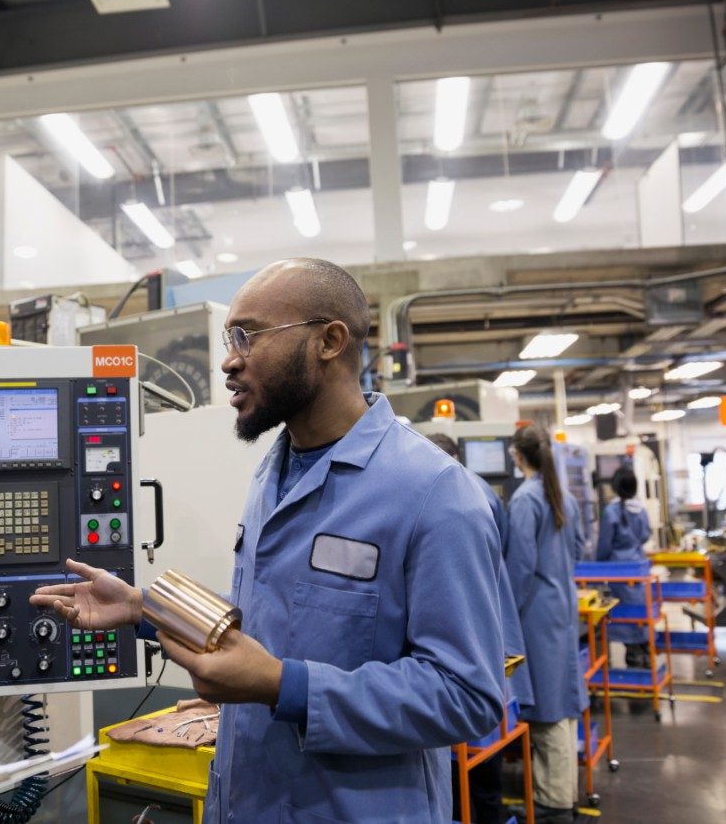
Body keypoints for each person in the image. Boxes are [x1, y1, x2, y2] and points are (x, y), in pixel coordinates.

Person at [33, 258, 506, 822]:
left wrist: (286, 686)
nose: (229, 360)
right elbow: (271, 623)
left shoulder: (434, 494)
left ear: (329, 341)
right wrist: (146, 610)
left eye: (247, 335)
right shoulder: (273, 473)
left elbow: (467, 695)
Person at [425, 431, 533, 824]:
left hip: (477, 642)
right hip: (489, 639)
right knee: (485, 759)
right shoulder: (481, 492)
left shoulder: (456, 497)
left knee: (476, 767)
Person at [505, 424, 588, 823]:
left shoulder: (525, 500)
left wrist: (502, 618)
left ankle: (553, 804)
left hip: (536, 615)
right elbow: (575, 550)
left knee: (548, 711)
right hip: (562, 607)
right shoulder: (564, 498)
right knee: (564, 705)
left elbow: (519, 571)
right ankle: (561, 792)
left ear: (518, 457)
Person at [596, 467, 652, 668]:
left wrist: (597, 568)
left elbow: (604, 545)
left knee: (624, 617)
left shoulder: (611, 511)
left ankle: (634, 658)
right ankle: (643, 655)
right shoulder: (641, 509)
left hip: (618, 572)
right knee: (639, 616)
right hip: (639, 567)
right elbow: (646, 535)